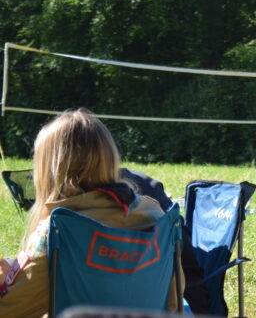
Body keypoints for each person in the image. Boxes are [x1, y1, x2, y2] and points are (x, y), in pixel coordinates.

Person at [0, 109, 183, 317]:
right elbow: (174, 301)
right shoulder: (157, 217)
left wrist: (7, 281)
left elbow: (9, 311)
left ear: (49, 171)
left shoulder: (55, 233)